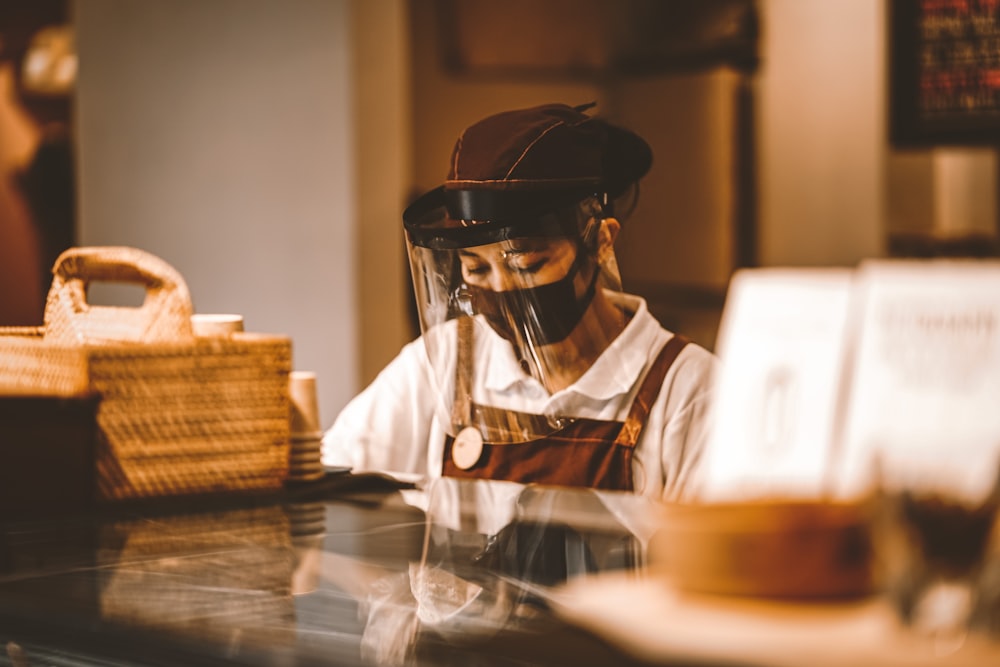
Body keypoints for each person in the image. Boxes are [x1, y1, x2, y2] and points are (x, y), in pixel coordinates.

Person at [323, 102, 717, 501]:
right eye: (476, 270)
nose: (501, 289)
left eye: (527, 266)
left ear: (601, 241)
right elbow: (335, 482)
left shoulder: (688, 389)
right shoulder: (443, 362)